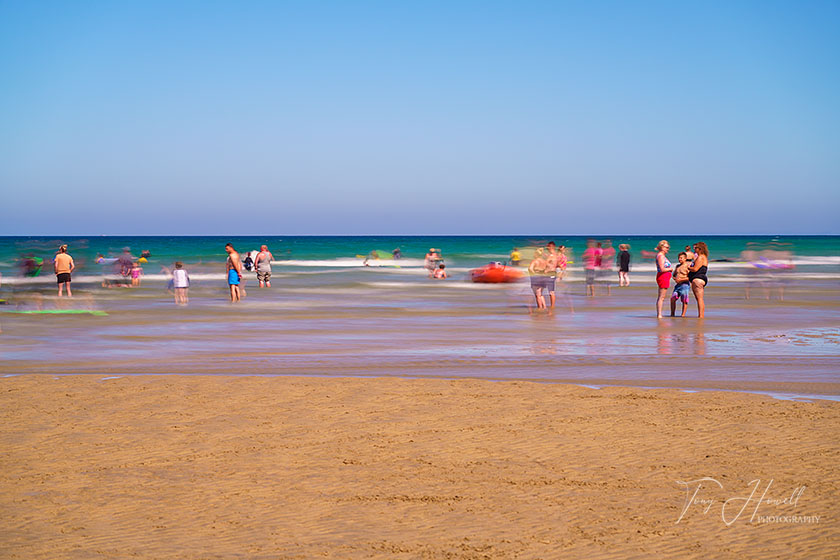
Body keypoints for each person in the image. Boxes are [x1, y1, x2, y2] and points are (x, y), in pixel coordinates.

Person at [688, 241, 709, 318]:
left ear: (699, 249)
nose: (695, 249)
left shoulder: (700, 257)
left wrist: (689, 267)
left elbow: (695, 269)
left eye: (696, 248)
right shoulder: (704, 257)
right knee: (699, 299)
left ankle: (701, 316)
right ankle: (701, 315)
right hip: (700, 279)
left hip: (698, 279)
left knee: (699, 299)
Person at [654, 240, 672, 318]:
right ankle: (659, 314)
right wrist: (670, 269)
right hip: (663, 276)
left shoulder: (661, 256)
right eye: (666, 247)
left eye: (668, 247)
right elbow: (662, 269)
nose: (668, 249)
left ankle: (659, 313)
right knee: (661, 297)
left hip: (665, 277)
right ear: (662, 247)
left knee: (662, 296)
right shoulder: (661, 256)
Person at [670, 252, 691, 317]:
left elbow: (690, 277)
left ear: (685, 258)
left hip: (684, 285)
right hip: (678, 285)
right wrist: (675, 279)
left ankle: (683, 314)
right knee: (673, 298)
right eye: (679, 258)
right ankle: (672, 314)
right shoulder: (677, 266)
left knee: (684, 300)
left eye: (681, 258)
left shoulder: (688, 266)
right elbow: (673, 275)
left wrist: (681, 279)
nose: (679, 259)